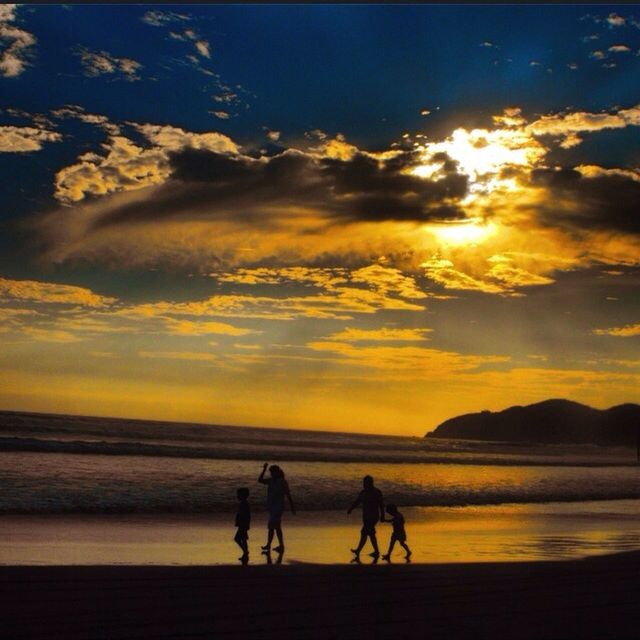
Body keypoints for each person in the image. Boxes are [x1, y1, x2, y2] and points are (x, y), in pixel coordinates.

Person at [258, 462, 296, 553]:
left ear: (277, 472)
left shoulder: (282, 482)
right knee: (277, 527)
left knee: (271, 526)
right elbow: (260, 480)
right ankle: (280, 545)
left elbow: (288, 495)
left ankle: (269, 544)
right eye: (271, 472)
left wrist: (292, 507)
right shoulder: (271, 480)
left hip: (278, 507)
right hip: (272, 507)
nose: (271, 474)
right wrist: (264, 469)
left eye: (272, 472)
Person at [347, 475, 385, 558]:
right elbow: (357, 501)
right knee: (369, 533)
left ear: (370, 483)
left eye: (365, 482)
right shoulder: (364, 492)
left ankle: (361, 551)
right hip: (366, 516)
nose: (364, 484)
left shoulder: (376, 492)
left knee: (365, 532)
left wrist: (382, 515)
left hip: (373, 516)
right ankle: (374, 551)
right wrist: (351, 508)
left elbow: (381, 505)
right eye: (364, 482)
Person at [234, 487, 251, 563]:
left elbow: (247, 515)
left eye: (239, 495)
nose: (237, 496)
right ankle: (245, 553)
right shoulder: (243, 504)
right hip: (242, 524)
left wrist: (246, 524)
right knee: (243, 539)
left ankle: (245, 552)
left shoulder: (244, 504)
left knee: (237, 539)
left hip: (243, 524)